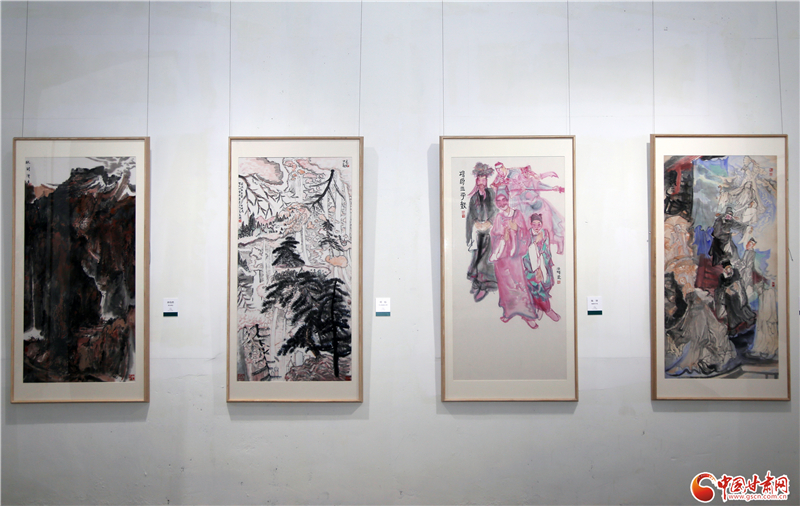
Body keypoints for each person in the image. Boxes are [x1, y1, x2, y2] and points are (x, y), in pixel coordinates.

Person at [489, 191, 537, 327]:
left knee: (519, 283)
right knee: (505, 286)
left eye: (503, 199)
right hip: (501, 258)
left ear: (508, 199)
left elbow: (526, 234)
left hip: (514, 256)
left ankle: (527, 315)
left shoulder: (517, 214)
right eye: (498, 201)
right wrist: (502, 236)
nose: (501, 203)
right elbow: (494, 235)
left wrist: (517, 229)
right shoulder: (498, 217)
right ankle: (509, 312)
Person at [465, 163, 497, 302]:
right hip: (479, 233)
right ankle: (477, 282)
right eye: (479, 179)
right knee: (476, 258)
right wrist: (475, 224)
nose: (481, 182)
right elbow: (470, 216)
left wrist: (490, 222)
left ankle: (484, 286)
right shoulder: (474, 198)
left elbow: (496, 210)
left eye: (484, 179)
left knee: (485, 261)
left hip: (492, 232)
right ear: (476, 181)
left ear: (487, 180)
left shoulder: (492, 193)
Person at [523, 214, 560, 323]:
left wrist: (543, 266)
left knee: (548, 284)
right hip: (531, 267)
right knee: (537, 289)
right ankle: (547, 309)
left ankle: (540, 307)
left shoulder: (544, 233)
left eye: (539, 224)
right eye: (534, 224)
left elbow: (546, 249)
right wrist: (535, 241)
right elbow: (526, 253)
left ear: (542, 224)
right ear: (530, 224)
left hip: (544, 264)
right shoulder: (526, 235)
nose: (536, 227)